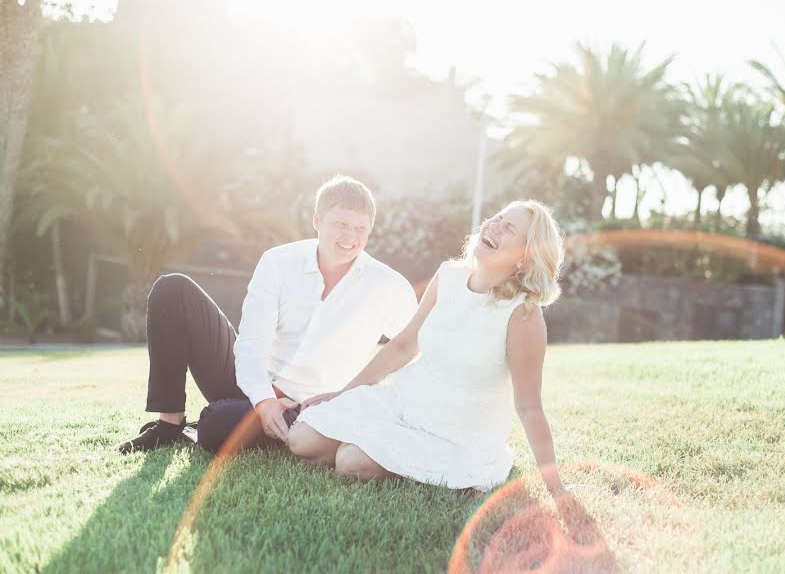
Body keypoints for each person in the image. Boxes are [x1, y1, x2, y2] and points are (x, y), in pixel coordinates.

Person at [115, 175, 418, 454]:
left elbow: (416, 352)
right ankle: (169, 426)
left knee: (214, 425)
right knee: (173, 289)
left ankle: (218, 421)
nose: (350, 236)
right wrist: (264, 401)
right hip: (250, 382)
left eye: (361, 228)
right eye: (341, 223)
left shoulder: (387, 286)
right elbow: (250, 346)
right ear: (317, 220)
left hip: (308, 408)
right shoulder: (278, 262)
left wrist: (358, 400)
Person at [287, 200, 566, 494]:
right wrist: (343, 395)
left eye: (509, 228)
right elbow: (404, 345)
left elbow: (530, 407)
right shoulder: (449, 275)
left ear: (524, 257)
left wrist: (556, 488)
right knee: (301, 439)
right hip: (405, 402)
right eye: (496, 218)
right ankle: (368, 443)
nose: (493, 226)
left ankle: (392, 457)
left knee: (350, 461)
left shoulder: (522, 314)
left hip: (455, 433)